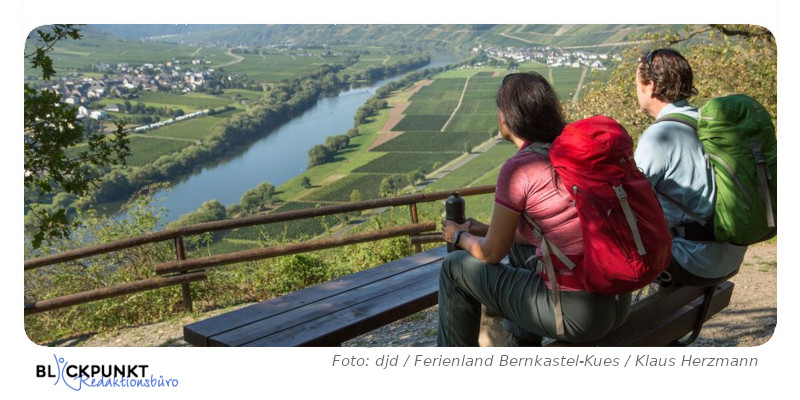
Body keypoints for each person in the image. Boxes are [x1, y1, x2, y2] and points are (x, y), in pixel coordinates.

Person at [438, 72, 630, 347]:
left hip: (576, 313)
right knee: (520, 249)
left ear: (508, 116)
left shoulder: (520, 168)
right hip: (615, 303)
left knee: (454, 267)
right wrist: (486, 230)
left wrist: (458, 235)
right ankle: (521, 344)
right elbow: (553, 233)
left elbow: (491, 253)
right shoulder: (570, 154)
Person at [633, 48, 747, 287]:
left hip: (691, 262)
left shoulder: (659, 137)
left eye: (638, 83)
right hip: (731, 255)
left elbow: (629, 202)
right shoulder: (706, 122)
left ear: (650, 86)